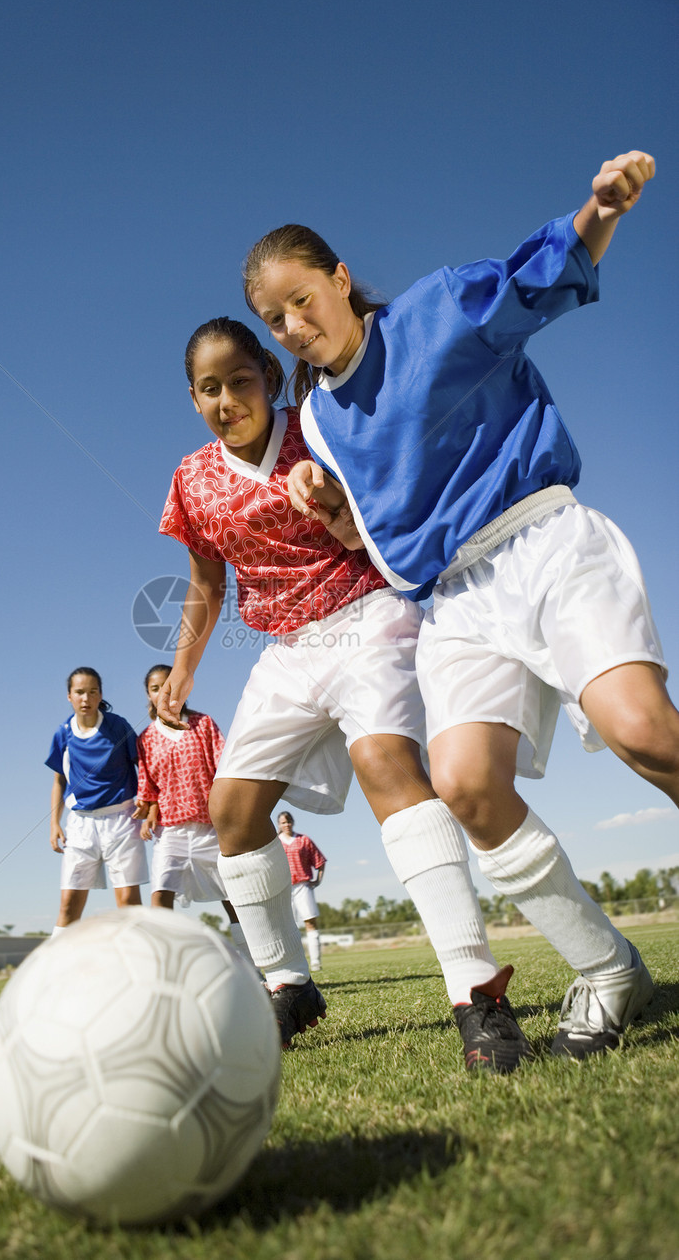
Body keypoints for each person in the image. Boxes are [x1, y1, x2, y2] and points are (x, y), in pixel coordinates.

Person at [245, 149, 677, 1058]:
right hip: (451, 601)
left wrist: (601, 209)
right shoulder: (318, 421)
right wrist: (331, 514)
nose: (290, 326)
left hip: (544, 539)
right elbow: (380, 541)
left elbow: (544, 273)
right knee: (470, 789)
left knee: (643, 731)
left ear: (340, 279)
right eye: (272, 320)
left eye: (300, 301)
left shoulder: (437, 312)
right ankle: (610, 975)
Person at [156, 316, 529, 1071]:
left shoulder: (321, 426)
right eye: (209, 388)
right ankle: (289, 985)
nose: (227, 398)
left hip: (369, 612)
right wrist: (185, 666)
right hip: (287, 647)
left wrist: (336, 503)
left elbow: (393, 508)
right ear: (192, 398)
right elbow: (206, 583)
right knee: (231, 812)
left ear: (267, 373)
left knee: (387, 764)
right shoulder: (191, 478)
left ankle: (478, 993)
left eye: (240, 379)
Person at [133, 664, 251, 962]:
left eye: (168, 685)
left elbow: (223, 768)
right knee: (160, 895)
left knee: (232, 898)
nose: (163, 692)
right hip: (170, 830)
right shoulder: (146, 737)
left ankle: (253, 964)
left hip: (209, 828)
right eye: (155, 688)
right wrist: (148, 812)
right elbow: (148, 785)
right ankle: (168, 965)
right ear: (148, 694)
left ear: (182, 687)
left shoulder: (203, 724)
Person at [45, 667, 147, 936]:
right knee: (68, 907)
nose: (85, 698)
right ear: (69, 696)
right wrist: (54, 823)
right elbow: (59, 780)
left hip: (122, 820)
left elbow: (143, 766)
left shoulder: (118, 727)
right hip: (80, 824)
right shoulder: (63, 733)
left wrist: (146, 802)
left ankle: (137, 967)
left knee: (128, 904)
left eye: (92, 692)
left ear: (100, 695)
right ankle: (55, 972)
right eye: (79, 692)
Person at [277, 811, 326, 972]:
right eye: (283, 822)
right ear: (279, 825)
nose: (287, 825)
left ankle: (316, 962)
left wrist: (318, 880)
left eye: (289, 821)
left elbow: (320, 860)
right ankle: (293, 964)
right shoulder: (275, 843)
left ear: (293, 822)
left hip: (303, 886)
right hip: (283, 888)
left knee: (310, 922)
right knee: (286, 926)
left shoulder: (303, 840)